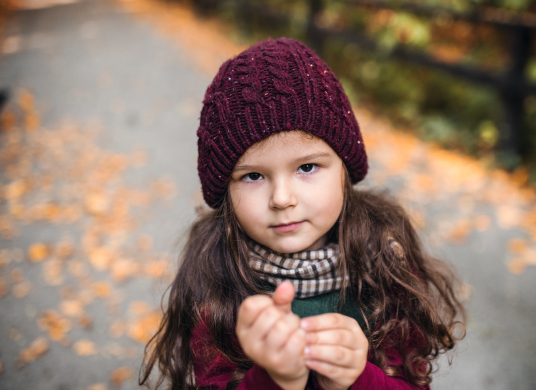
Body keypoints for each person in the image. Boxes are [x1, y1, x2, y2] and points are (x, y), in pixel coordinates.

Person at [140, 37, 465, 390]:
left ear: (344, 168)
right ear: (225, 192)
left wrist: (359, 378)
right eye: (253, 175)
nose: (282, 198)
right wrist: (273, 379)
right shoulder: (215, 280)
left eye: (307, 167)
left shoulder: (385, 258)